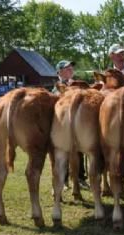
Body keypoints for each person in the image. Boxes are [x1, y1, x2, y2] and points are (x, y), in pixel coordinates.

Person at [52, 60, 89, 190]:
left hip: (78, 123)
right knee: (65, 152)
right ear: (59, 72)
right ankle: (65, 180)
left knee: (80, 150)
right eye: (67, 68)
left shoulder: (77, 84)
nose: (70, 70)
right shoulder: (57, 87)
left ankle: (81, 177)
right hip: (63, 124)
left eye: (71, 68)